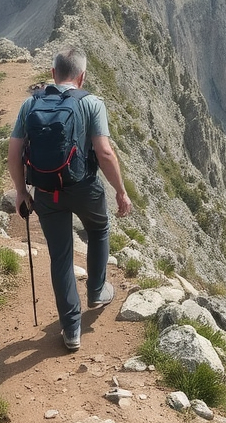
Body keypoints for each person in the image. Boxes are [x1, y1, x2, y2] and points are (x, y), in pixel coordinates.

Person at [8, 48, 133, 351]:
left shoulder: (30, 104)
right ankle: (96, 290)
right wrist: (120, 190)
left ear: (53, 74)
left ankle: (71, 330)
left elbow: (13, 154)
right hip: (84, 186)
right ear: (82, 76)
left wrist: (22, 191)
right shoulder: (91, 103)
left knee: (61, 256)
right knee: (99, 230)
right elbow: (103, 153)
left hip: (47, 191)